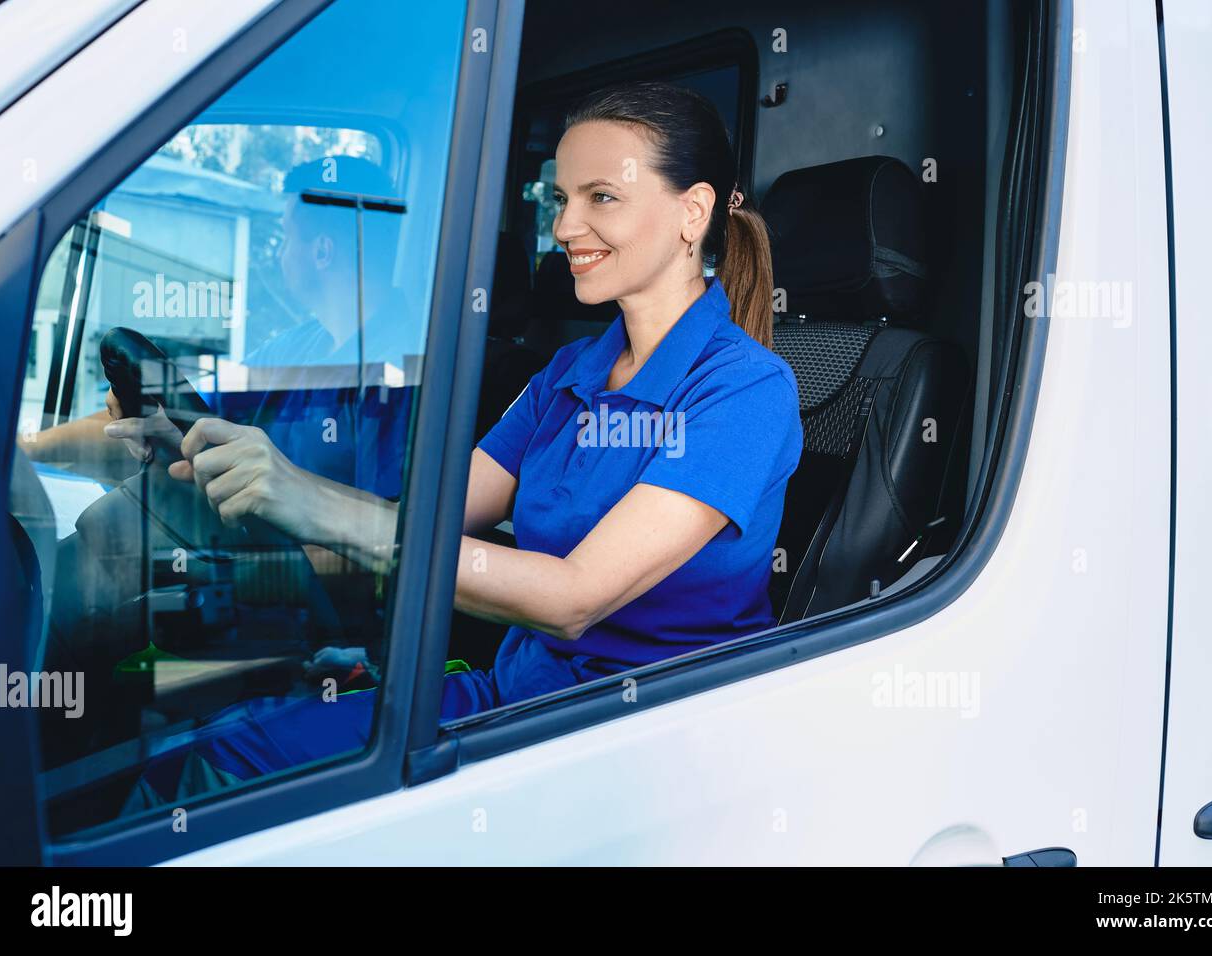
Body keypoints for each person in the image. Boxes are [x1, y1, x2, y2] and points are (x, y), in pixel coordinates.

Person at [128, 81, 803, 794]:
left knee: (218, 778)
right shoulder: (570, 372)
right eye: (560, 199)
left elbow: (573, 598)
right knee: (214, 749)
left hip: (629, 738)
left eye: (600, 197)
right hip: (514, 694)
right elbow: (431, 520)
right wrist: (240, 470)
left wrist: (310, 501)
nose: (565, 228)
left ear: (691, 212)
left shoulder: (746, 391)